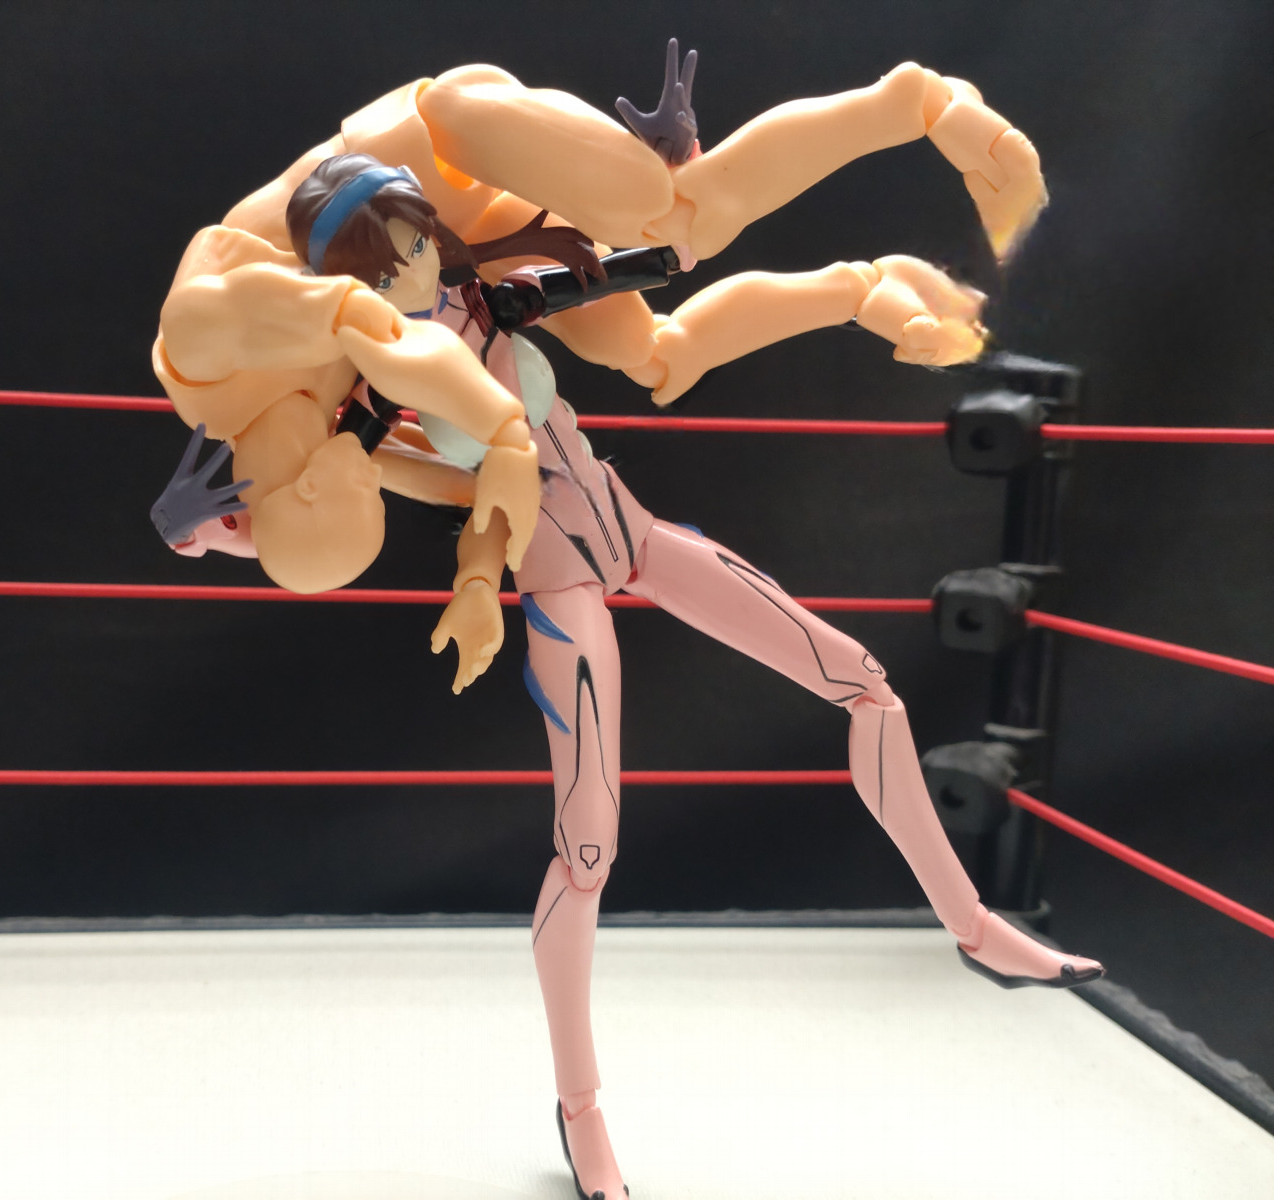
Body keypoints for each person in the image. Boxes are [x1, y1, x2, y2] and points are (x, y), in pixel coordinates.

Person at [151, 48, 1102, 1200]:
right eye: (394, 254)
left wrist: (835, 293)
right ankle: (582, 1108)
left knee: (858, 675)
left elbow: (657, 315)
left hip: (629, 524)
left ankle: (970, 924)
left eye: (418, 242)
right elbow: (453, 495)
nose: (417, 265)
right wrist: (464, 579)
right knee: (589, 846)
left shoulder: (475, 298)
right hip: (562, 582)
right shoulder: (376, 407)